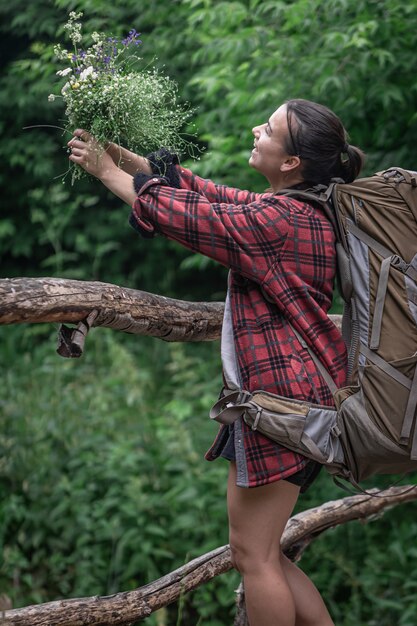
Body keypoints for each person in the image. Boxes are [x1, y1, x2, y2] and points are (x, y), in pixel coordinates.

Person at [68, 99, 364, 626]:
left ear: (292, 161)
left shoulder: (278, 220)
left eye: (269, 129)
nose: (258, 128)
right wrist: (120, 153)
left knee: (254, 557)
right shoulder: (304, 211)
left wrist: (106, 172)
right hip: (302, 401)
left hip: (280, 405)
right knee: (262, 549)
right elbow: (205, 194)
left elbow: (183, 215)